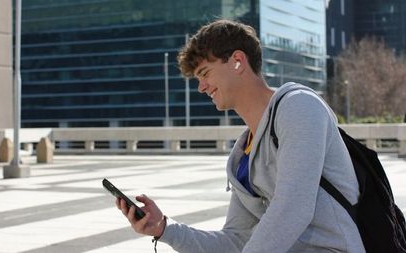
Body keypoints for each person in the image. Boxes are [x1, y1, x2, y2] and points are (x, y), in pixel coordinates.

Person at [116, 19, 365, 253]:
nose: (201, 87)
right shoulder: (242, 156)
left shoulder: (299, 107)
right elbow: (235, 241)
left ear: (237, 61)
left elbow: (292, 209)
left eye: (204, 73)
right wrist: (164, 228)